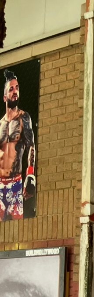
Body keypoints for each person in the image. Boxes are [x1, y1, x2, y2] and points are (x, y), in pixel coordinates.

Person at [0, 70, 36, 221]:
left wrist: (30, 174)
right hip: (0, 185)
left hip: (15, 184)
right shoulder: (0, 124)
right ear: (5, 97)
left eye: (17, 88)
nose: (15, 91)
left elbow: (31, 146)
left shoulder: (24, 118)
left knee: (17, 228)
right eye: (11, 89)